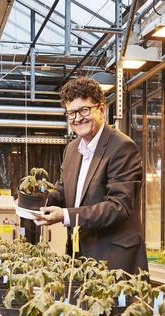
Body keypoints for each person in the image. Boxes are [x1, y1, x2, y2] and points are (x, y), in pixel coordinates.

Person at [34, 77, 148, 275]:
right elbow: (63, 190)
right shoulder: (72, 149)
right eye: (71, 113)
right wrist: (35, 200)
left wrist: (66, 215)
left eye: (84, 110)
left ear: (102, 109)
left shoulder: (121, 147)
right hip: (80, 256)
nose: (77, 119)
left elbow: (118, 206)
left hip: (114, 259)